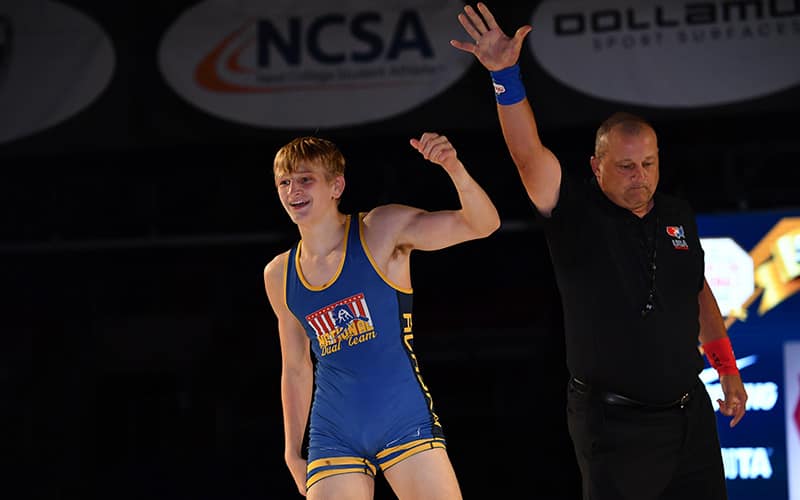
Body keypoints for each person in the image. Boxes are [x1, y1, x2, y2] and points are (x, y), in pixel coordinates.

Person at [451, 3, 748, 499]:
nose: (641, 176)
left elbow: (697, 293)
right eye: (627, 166)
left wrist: (729, 371)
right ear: (597, 165)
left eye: (649, 163)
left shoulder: (677, 213)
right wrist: (505, 76)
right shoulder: (573, 209)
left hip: (688, 415)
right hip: (613, 424)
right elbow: (527, 156)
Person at [263, 132, 499, 499]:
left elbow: (483, 225)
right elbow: (295, 366)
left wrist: (454, 169)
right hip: (333, 431)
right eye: (284, 181)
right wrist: (292, 451)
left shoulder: (381, 231)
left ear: (336, 185)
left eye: (305, 178)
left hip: (402, 418)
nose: (293, 189)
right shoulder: (279, 274)